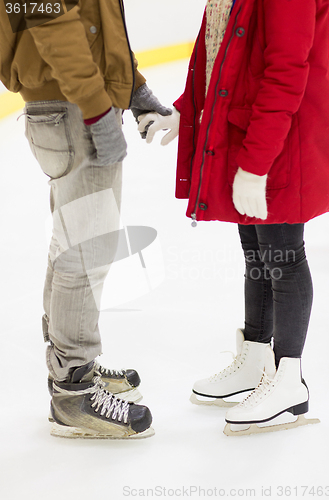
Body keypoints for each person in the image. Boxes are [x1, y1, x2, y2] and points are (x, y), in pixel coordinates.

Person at [138, 0, 329, 435]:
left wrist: (257, 164)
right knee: (257, 250)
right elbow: (222, 54)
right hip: (247, 132)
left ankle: (289, 382)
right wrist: (186, 109)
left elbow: (286, 71)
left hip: (281, 139)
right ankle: (257, 357)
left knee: (283, 254)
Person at [0, 0, 172, 439]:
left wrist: (133, 88)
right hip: (74, 108)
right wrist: (97, 109)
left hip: (68, 105)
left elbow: (99, 22)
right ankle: (74, 392)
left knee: (70, 243)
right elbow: (52, 22)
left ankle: (72, 363)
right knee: (86, 250)